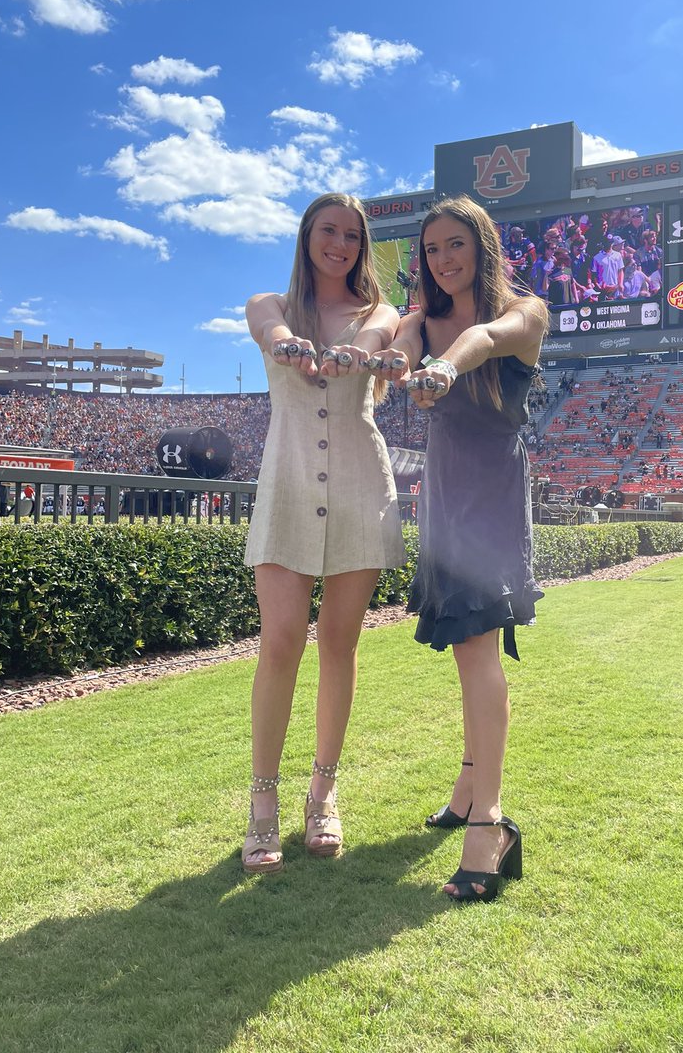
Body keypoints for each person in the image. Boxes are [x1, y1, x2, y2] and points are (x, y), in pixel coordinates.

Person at [371, 195, 548, 904]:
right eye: (432, 248)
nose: (443, 259)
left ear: (482, 246)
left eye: (456, 244)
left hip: (493, 497)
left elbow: (482, 338)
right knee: (468, 651)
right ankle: (470, 789)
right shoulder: (421, 320)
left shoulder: (526, 313)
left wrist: (444, 369)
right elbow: (403, 347)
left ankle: (490, 824)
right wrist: (395, 367)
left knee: (477, 651)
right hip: (443, 497)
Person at [241, 192, 406, 874]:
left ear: (363, 247)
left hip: (361, 485)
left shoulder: (380, 312)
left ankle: (324, 791)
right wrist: (290, 345)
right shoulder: (270, 304)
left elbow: (375, 339)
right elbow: (271, 332)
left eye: (352, 235)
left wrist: (351, 354)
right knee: (280, 641)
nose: (339, 244)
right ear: (307, 237)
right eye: (328, 231)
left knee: (339, 643)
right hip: (287, 484)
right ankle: (262, 801)